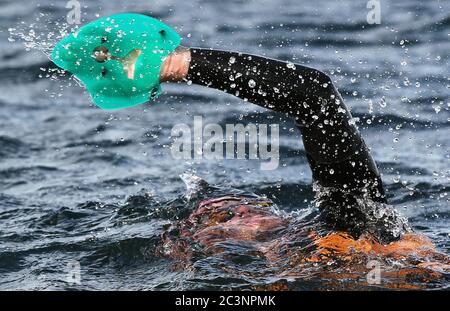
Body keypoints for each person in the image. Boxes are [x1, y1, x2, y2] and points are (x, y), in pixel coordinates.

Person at [158, 46, 409, 242]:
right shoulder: (338, 236)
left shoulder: (358, 226)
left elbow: (316, 96)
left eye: (235, 213)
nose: (244, 214)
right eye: (228, 216)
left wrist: (176, 64)